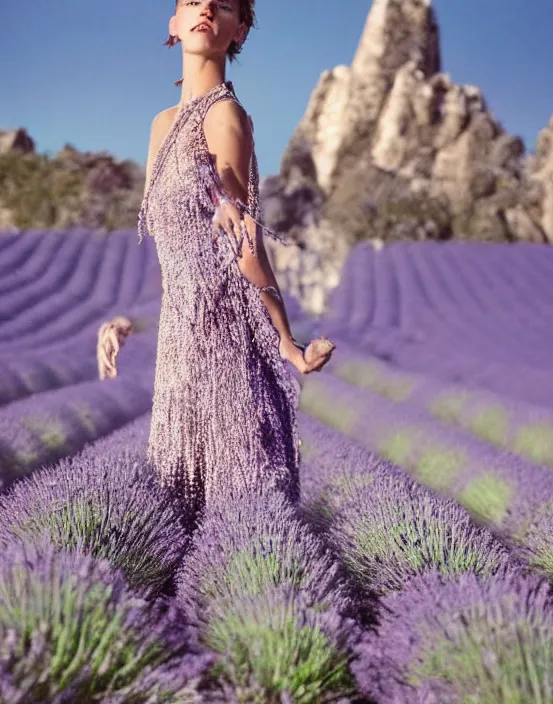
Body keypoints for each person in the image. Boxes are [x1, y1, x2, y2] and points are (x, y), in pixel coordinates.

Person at [137, 0, 334, 517]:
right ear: (174, 24)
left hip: (224, 352)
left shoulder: (225, 116)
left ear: (238, 30)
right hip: (178, 352)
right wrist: (129, 321)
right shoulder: (161, 124)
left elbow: (244, 242)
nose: (205, 10)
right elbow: (173, 258)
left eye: (221, 6)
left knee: (237, 510)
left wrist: (288, 345)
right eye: (192, 3)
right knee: (176, 521)